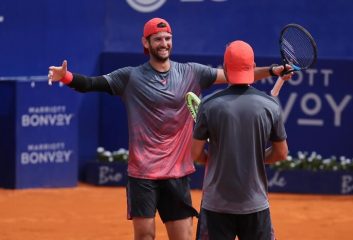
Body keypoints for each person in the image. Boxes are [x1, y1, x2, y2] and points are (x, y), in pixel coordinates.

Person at [48, 18, 290, 240]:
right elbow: (92, 84)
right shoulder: (130, 77)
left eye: (167, 39)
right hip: (142, 174)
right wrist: (67, 76)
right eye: (158, 39)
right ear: (146, 42)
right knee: (144, 236)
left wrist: (271, 71)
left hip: (177, 173)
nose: (163, 43)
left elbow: (235, 75)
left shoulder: (191, 72)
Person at [191, 40, 289, 240]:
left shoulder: (209, 105)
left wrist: (215, 160)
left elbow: (196, 154)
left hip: (215, 207)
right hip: (256, 205)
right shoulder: (270, 106)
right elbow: (280, 153)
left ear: (225, 68)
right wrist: (252, 159)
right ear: (252, 68)